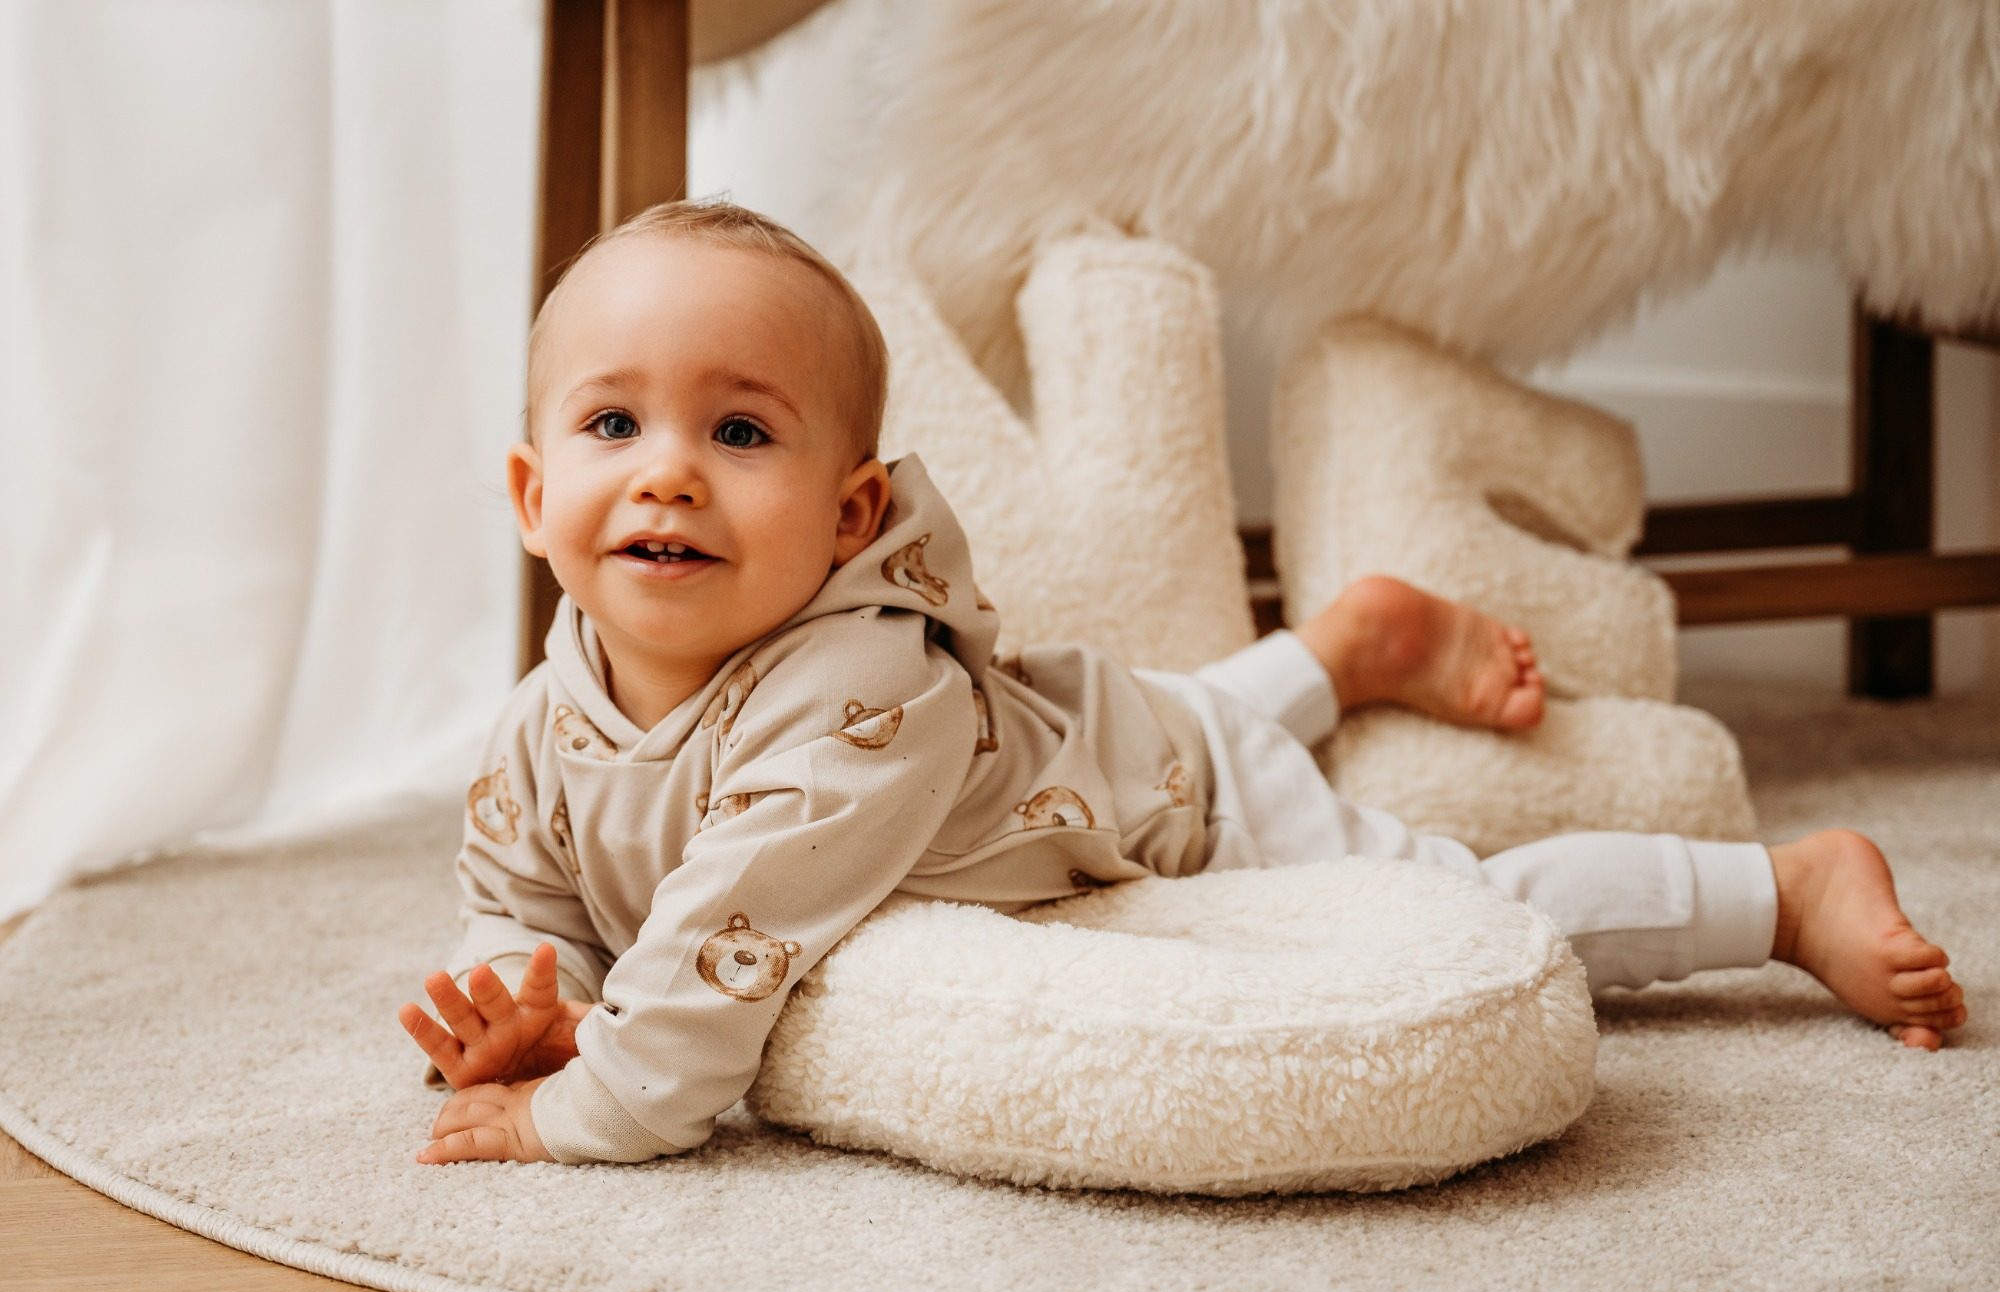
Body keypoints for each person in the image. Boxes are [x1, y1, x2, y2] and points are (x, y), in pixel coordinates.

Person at [397, 199, 1967, 1167]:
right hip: (1105, 721)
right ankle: (1345, 649)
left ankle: (1775, 890)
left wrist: (575, 1108)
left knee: (1471, 899)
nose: (667, 475)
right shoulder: (549, 715)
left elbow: (710, 975)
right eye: (614, 427)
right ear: (533, 496)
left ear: (852, 514)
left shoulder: (847, 700)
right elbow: (518, 885)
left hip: (1174, 805)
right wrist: (522, 998)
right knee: (1188, 703)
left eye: (740, 433)